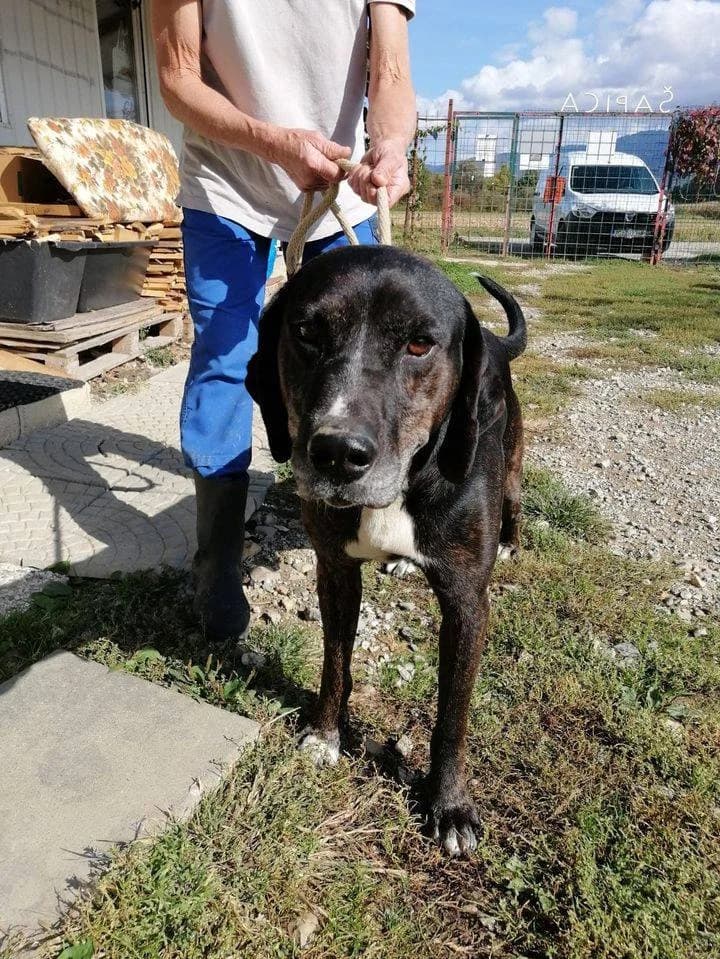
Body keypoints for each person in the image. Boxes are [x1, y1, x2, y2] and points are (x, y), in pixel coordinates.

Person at [151, 0, 416, 640]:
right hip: (226, 182)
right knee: (227, 353)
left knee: (351, 361)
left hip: (333, 190)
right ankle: (215, 566)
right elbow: (178, 77)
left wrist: (391, 146)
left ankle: (350, 504)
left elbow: (392, 78)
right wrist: (274, 142)